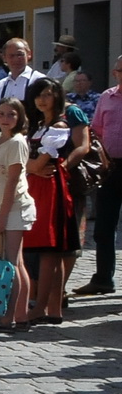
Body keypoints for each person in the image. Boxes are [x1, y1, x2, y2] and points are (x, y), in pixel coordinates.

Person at [21, 77, 88, 324]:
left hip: (50, 189)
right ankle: (53, 309)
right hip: (40, 186)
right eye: (39, 95)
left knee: (49, 250)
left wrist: (21, 165)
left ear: (57, 96)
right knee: (52, 253)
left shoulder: (58, 126)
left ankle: (41, 307)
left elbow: (39, 164)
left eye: (47, 94)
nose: (42, 100)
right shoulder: (41, 125)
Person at [0, 98, 37, 332]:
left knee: (11, 263)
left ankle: (8, 318)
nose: (5, 119)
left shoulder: (17, 142)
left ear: (19, 117)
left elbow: (13, 181)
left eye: (11, 114)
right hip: (2, 207)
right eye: (1, 114)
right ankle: (20, 317)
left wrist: (2, 217)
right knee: (16, 262)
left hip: (14, 208)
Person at [76, 53, 122, 297]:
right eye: (120, 70)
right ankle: (103, 278)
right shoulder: (107, 97)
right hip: (110, 167)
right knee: (104, 226)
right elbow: (97, 130)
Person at [0, 38, 45, 126]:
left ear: (29, 54)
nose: (16, 59)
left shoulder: (39, 81)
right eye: (11, 56)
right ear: (4, 58)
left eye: (20, 54)